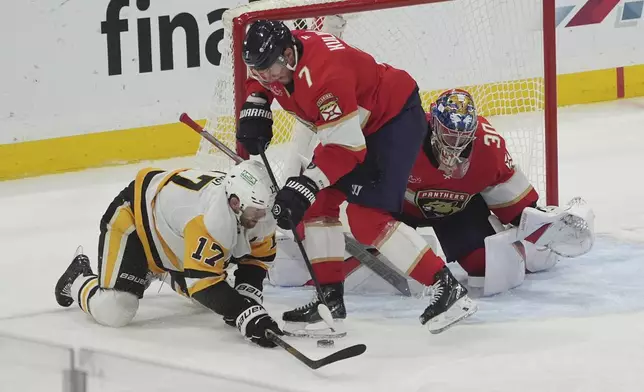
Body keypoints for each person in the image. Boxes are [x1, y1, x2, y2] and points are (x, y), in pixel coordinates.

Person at [236, 19, 476, 337]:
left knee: (366, 217)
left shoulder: (325, 77)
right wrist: (256, 102)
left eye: (270, 70)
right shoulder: (277, 59)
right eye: (260, 70)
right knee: (318, 204)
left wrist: (306, 183)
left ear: (288, 54)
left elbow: (346, 150)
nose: (266, 78)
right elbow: (256, 75)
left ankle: (448, 290)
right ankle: (329, 304)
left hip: (393, 120)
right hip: (356, 126)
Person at [267, 89, 595, 300]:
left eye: (463, 137)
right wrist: (309, 193)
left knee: (486, 268)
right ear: (433, 126)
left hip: (458, 210)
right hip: (396, 204)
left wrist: (542, 223)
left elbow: (519, 206)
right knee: (320, 227)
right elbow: (343, 163)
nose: (455, 145)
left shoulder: (489, 147)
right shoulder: (399, 135)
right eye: (448, 135)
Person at [54, 160, 284, 348]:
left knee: (215, 300)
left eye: (265, 211)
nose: (262, 218)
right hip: (135, 218)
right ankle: (78, 278)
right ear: (235, 203)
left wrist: (248, 297)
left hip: (172, 235)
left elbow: (258, 256)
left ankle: (159, 272)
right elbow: (204, 284)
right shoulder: (209, 219)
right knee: (115, 310)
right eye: (257, 212)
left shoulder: (252, 207)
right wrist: (244, 312)